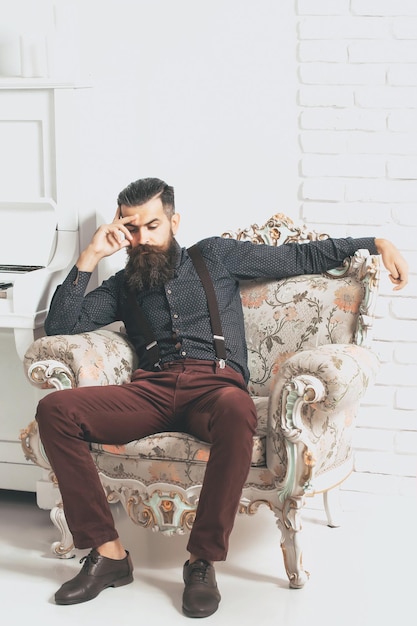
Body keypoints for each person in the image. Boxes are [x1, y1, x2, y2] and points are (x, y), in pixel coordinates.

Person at [35, 177, 408, 618]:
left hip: (214, 387)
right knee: (54, 409)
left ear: (174, 221)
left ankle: (201, 561)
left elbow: (298, 255)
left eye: (152, 226)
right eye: (131, 230)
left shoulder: (215, 255)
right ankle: (109, 553)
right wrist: (90, 255)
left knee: (238, 409)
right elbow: (60, 326)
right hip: (150, 391)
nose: (142, 239)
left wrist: (378, 242)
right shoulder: (122, 285)